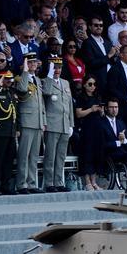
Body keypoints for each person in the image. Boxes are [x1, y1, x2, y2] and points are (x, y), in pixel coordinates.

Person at [41, 56, 75, 190]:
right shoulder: (45, 81)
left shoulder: (65, 83)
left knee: (61, 156)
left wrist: (71, 124)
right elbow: (47, 92)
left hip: (65, 124)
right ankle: (49, 183)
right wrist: (49, 76)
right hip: (52, 124)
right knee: (50, 155)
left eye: (59, 68)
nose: (57, 70)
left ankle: (59, 182)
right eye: (54, 68)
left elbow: (69, 104)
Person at [14, 52, 46, 192]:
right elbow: (21, 89)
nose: (33, 64)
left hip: (37, 121)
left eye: (34, 62)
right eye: (30, 62)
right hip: (27, 121)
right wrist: (25, 71)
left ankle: (32, 183)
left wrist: (43, 120)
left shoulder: (38, 79)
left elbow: (41, 102)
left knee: (34, 156)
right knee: (24, 154)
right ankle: (22, 184)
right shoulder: (21, 78)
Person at [0, 70, 19, 194]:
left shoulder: (11, 92)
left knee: (9, 160)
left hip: (10, 131)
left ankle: (6, 186)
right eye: (6, 79)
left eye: (10, 79)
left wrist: (17, 129)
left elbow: (15, 112)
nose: (9, 81)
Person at [73, 77, 106, 189]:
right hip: (86, 128)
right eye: (90, 84)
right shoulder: (81, 97)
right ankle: (87, 182)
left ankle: (94, 181)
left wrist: (101, 111)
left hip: (97, 127)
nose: (93, 86)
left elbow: (102, 115)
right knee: (87, 154)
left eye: (94, 84)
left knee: (97, 154)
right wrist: (91, 109)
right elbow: (78, 114)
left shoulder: (97, 96)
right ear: (84, 85)